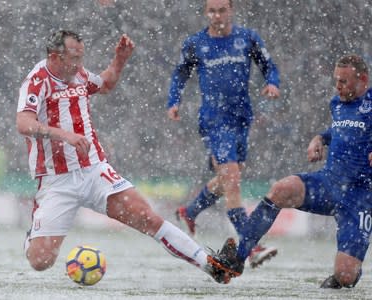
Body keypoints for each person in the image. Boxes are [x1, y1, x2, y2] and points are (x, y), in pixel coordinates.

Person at [16, 29, 227, 281]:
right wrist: (63, 135)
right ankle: (34, 236)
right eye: (74, 57)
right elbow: (23, 123)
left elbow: (105, 84)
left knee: (148, 218)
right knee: (40, 262)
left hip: (94, 169)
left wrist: (120, 59)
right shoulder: (37, 80)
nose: (79, 64)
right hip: (56, 180)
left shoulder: (79, 74)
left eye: (81, 57)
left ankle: (211, 265)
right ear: (54, 56)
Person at [209, 54, 372, 288]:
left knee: (345, 277)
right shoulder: (337, 104)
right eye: (335, 80)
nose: (337, 86)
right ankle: (238, 258)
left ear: (362, 79)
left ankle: (346, 274)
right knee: (282, 189)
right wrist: (319, 139)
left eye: (343, 81)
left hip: (359, 197)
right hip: (328, 183)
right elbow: (340, 130)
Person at [167, 0, 280, 267]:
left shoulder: (248, 38)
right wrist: (174, 101)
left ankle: (190, 210)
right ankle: (250, 246)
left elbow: (269, 65)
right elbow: (180, 74)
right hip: (214, 121)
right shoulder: (196, 43)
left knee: (228, 178)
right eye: (212, 11)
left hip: (242, 119)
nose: (217, 15)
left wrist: (272, 83)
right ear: (206, 13)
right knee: (232, 180)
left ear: (231, 11)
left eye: (222, 10)